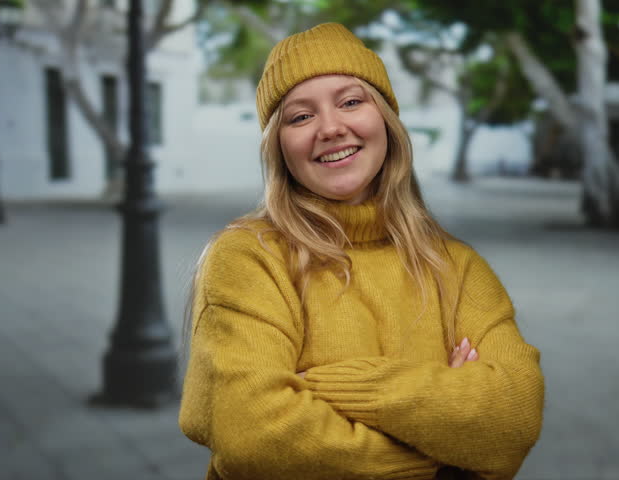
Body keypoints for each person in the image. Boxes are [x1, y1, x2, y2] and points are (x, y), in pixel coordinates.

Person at [179, 22, 544, 480]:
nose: (331, 128)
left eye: (351, 101)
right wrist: (446, 450)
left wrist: (350, 387)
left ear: (386, 121)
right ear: (279, 148)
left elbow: (514, 416)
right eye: (300, 116)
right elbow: (254, 436)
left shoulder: (458, 266)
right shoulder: (249, 258)